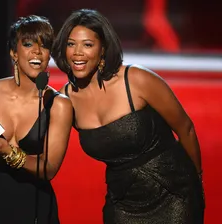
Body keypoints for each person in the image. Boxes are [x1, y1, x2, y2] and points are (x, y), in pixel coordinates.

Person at [52, 8, 205, 224]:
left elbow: (185, 128)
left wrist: (196, 182)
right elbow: (45, 150)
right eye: (70, 44)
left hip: (174, 193)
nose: (77, 52)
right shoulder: (66, 99)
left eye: (87, 44)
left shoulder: (136, 79)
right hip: (122, 201)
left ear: (103, 49)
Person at [0, 15, 73, 224]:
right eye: (28, 43)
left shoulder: (59, 104)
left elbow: (49, 168)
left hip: (33, 208)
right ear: (13, 53)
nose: (37, 51)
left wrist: (7, 152)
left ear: (49, 55)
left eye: (44, 45)